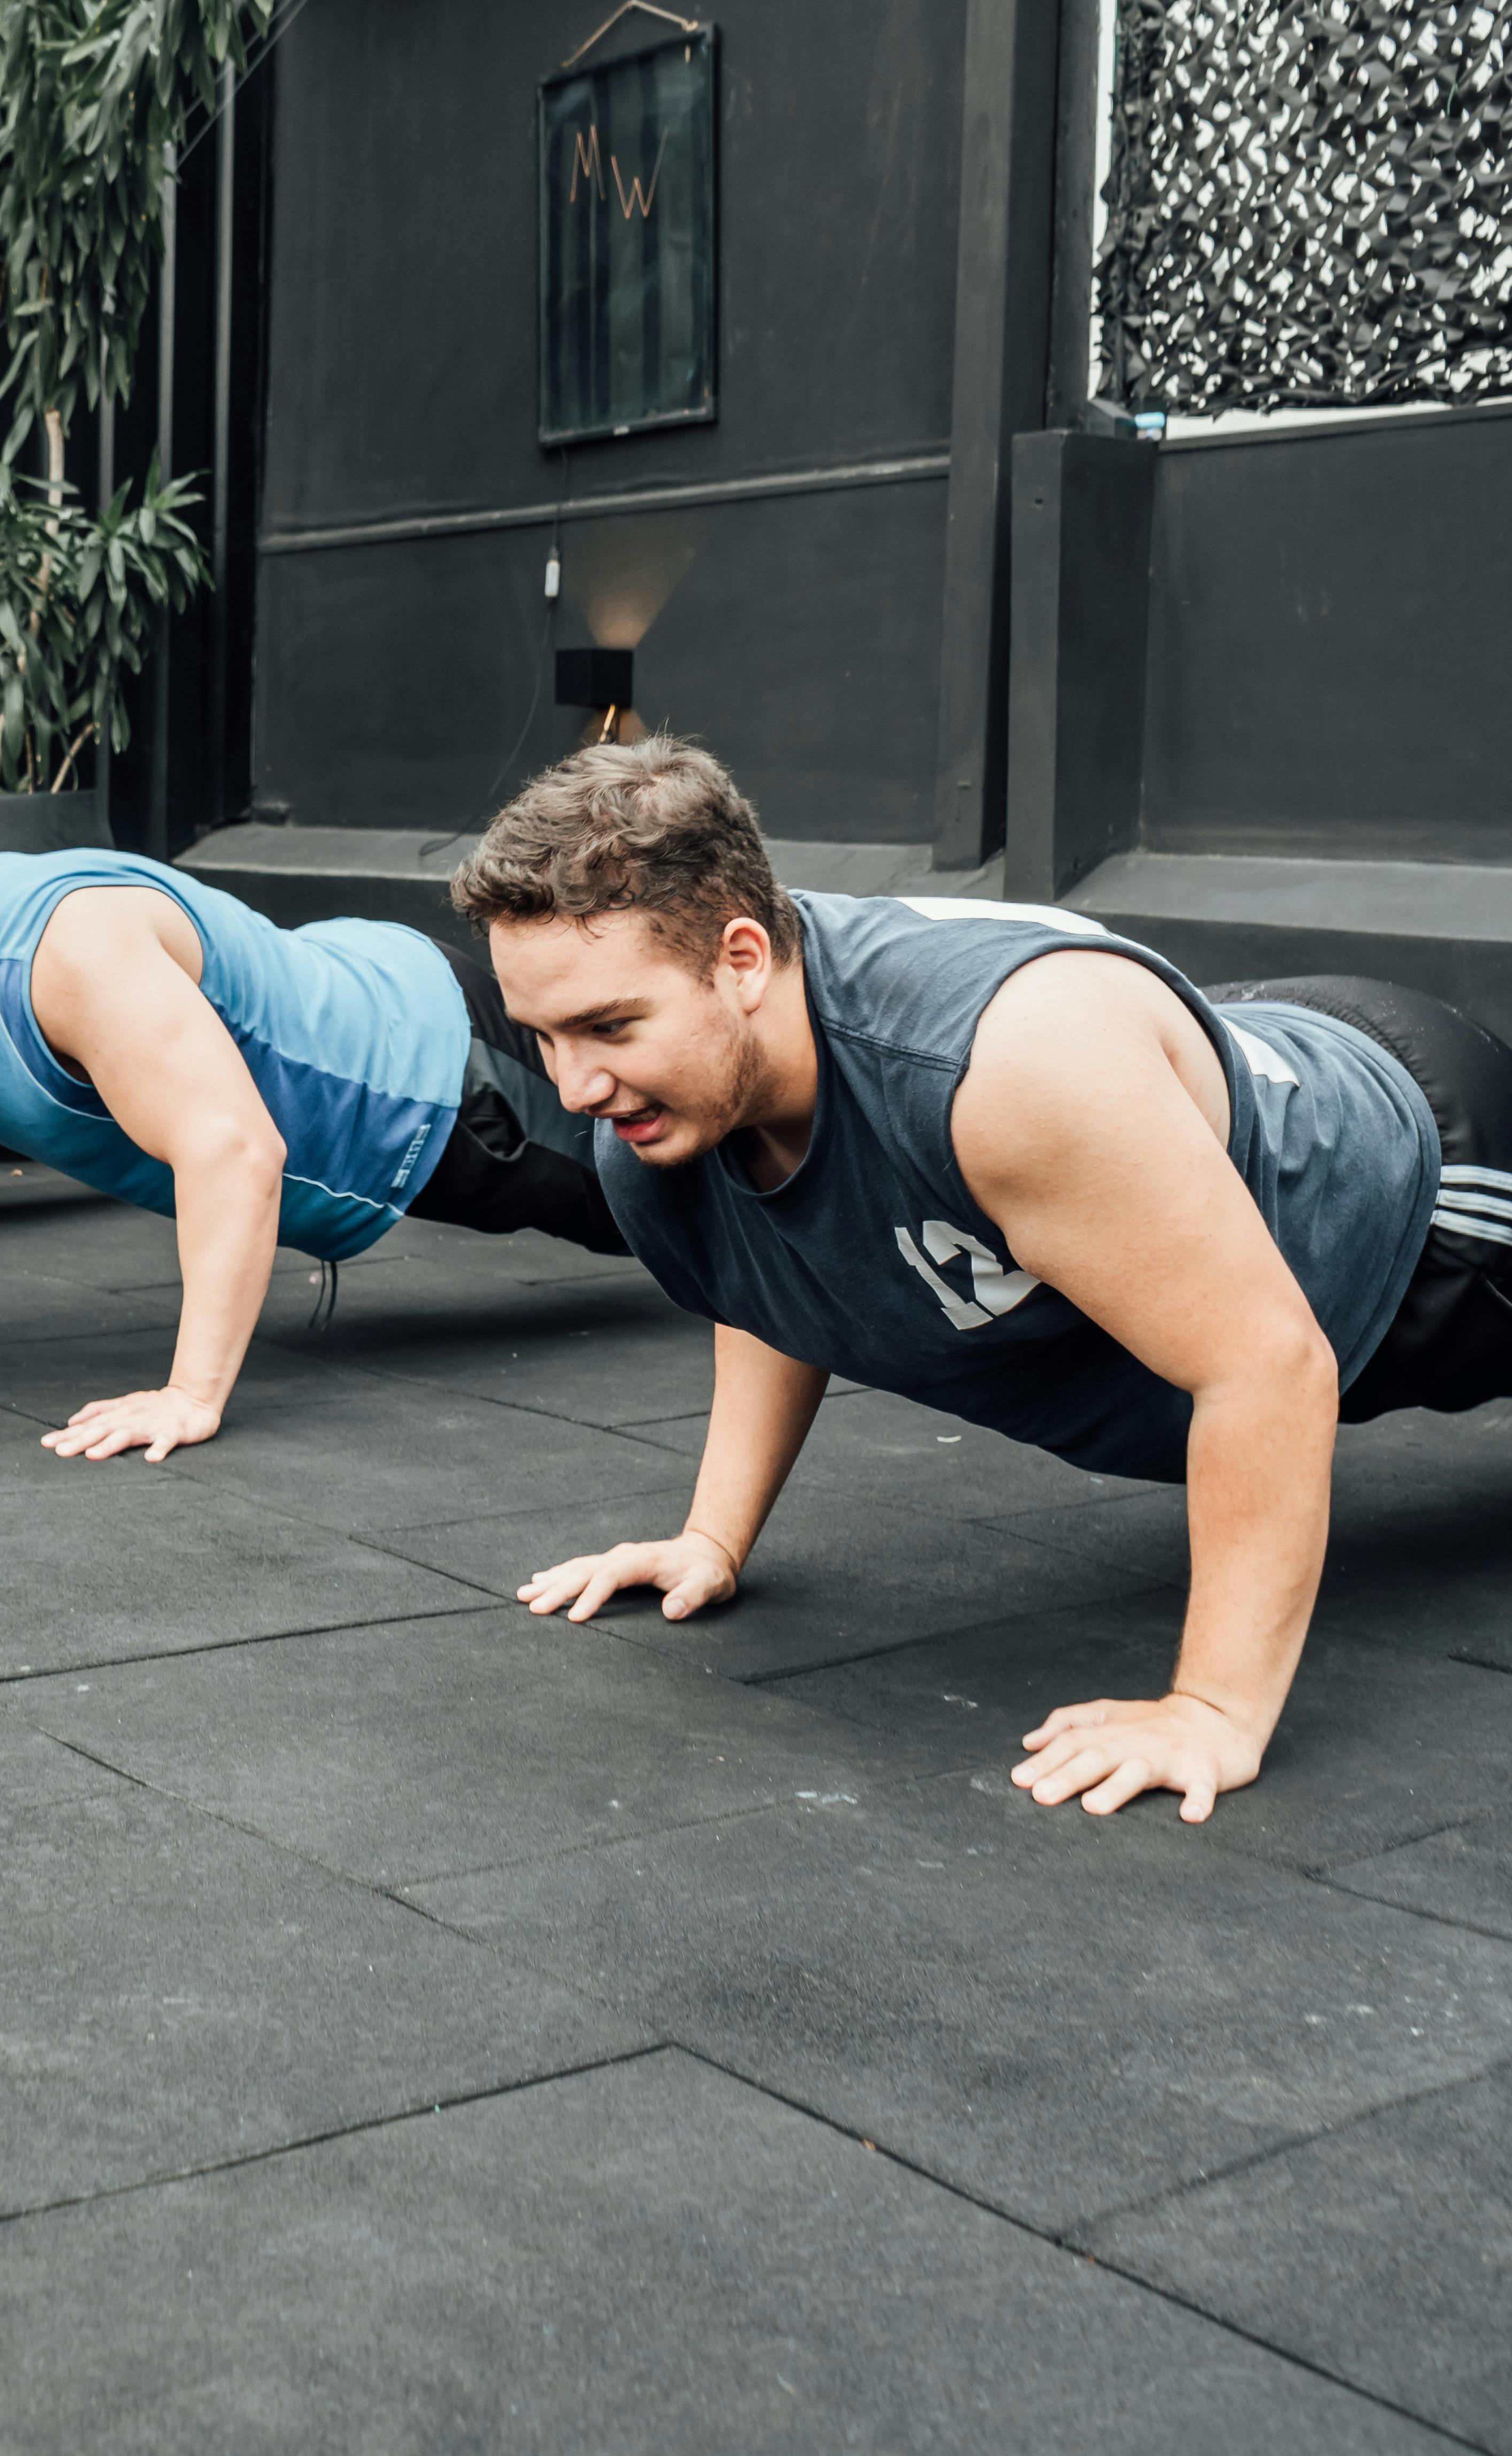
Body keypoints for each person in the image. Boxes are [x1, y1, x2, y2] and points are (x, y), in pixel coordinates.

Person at [449, 736, 1512, 1828]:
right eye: (540, 1037)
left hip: (1430, 1187)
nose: (572, 1086)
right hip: (1180, 1073)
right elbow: (781, 1265)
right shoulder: (670, 1119)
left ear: (739, 958)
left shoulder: (1000, 1079)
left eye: (608, 1027)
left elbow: (1266, 1362)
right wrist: (709, 1537)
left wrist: (1210, 1708)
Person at [0, 842, 625, 1458]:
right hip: (372, 1012)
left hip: (439, 1076)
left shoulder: (66, 957)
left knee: (675, 1205)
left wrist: (190, 1396)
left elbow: (235, 1152)